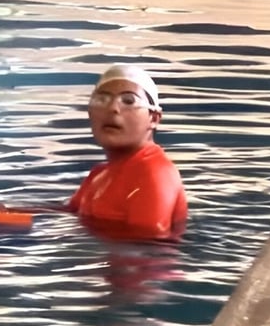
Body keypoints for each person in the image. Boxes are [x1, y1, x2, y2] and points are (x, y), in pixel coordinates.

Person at [66, 64, 188, 241]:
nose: (113, 109)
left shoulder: (154, 173)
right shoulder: (98, 174)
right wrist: (14, 213)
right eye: (102, 100)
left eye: (129, 101)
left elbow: (149, 251)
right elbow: (69, 215)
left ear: (153, 118)